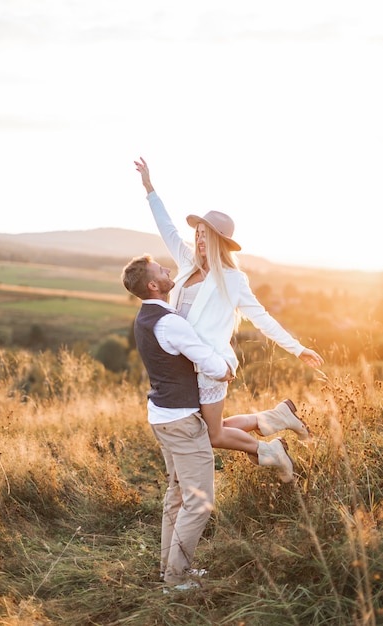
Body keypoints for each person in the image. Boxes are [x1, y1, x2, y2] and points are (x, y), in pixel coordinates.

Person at [121, 254, 295, 589]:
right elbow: (207, 361)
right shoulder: (170, 323)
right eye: (161, 270)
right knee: (199, 501)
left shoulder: (146, 317)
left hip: (163, 417)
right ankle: (176, 580)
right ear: (154, 285)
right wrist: (227, 369)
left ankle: (168, 569)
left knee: (176, 494)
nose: (169, 269)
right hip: (182, 422)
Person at [134, 157, 325, 461]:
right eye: (197, 232)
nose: (198, 237)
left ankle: (272, 448)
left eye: (204, 233)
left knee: (210, 434)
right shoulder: (185, 264)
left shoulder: (233, 280)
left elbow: (263, 319)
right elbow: (167, 228)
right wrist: (149, 188)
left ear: (218, 240)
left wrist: (297, 349)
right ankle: (277, 418)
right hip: (184, 364)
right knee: (211, 429)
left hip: (211, 364)